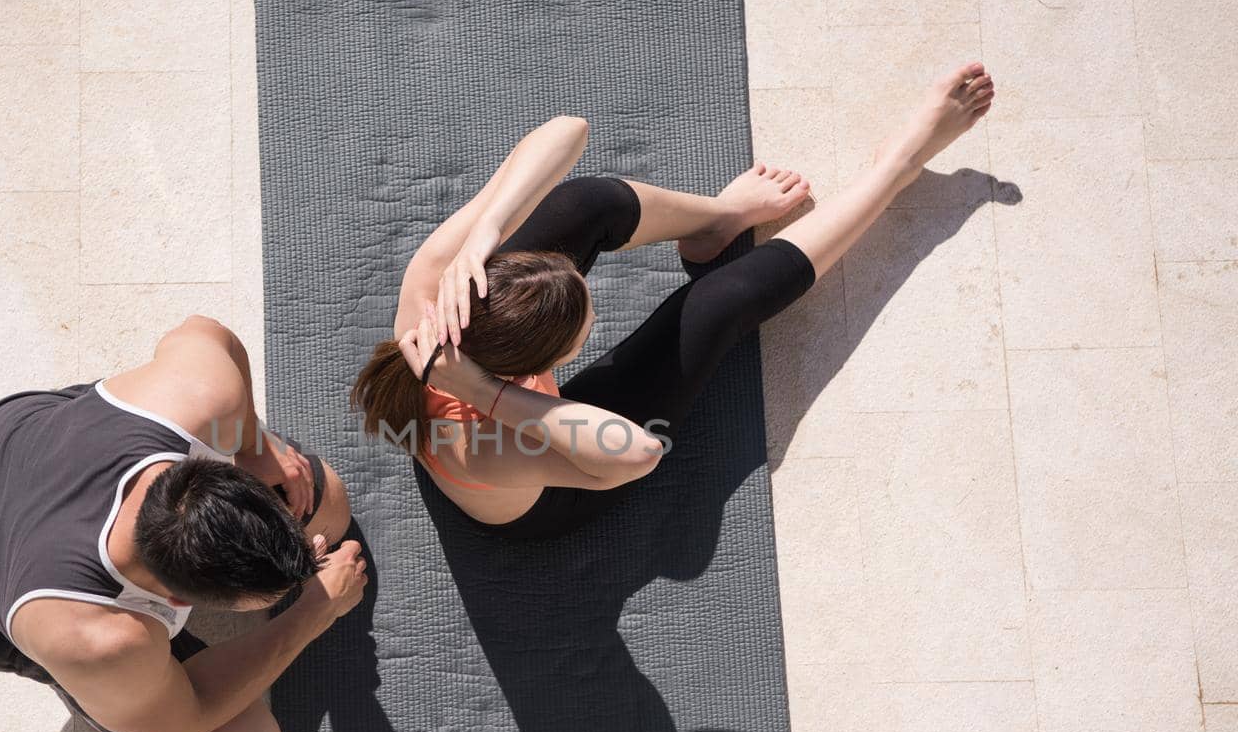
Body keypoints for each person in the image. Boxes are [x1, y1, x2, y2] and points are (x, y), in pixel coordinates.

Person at [353, 62, 996, 538]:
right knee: (713, 308)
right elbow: (634, 454)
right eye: (585, 323)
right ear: (538, 368)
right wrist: (487, 393)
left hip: (493, 369)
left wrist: (484, 232)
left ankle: (718, 220)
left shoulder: (437, 280)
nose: (596, 306)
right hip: (563, 476)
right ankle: (897, 166)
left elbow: (565, 132)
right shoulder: (484, 446)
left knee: (588, 205)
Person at [0, 314, 367, 732]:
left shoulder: (203, 397)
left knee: (329, 505)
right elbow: (188, 713)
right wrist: (311, 613)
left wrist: (256, 441)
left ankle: (126, 694)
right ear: (177, 604)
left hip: (27, 439)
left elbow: (207, 333)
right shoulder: (100, 640)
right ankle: (100, 699)